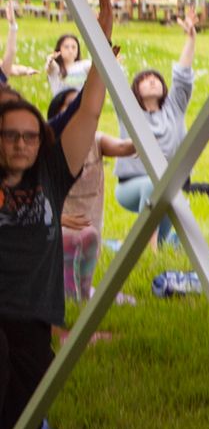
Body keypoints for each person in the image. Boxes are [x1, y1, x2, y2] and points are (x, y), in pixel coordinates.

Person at [1, 0, 111, 429]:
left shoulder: (52, 171)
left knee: (25, 419)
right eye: (10, 136)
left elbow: (87, 107)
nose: (21, 144)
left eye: (29, 135)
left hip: (34, 313)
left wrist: (103, 36)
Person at [45, 85, 135, 302]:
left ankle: (84, 293)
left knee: (90, 240)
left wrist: (147, 136)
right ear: (58, 114)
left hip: (89, 215)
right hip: (59, 217)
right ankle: (66, 294)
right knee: (66, 245)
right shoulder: (49, 144)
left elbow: (123, 148)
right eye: (72, 106)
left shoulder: (97, 140)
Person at [113, 9, 199, 221]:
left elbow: (182, 77)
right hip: (131, 185)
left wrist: (191, 39)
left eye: (156, 78)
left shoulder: (174, 108)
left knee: (181, 224)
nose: (151, 80)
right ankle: (147, 248)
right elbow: (115, 83)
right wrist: (112, 63)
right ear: (136, 89)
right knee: (157, 187)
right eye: (145, 79)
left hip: (167, 185)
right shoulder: (129, 111)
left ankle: (155, 248)